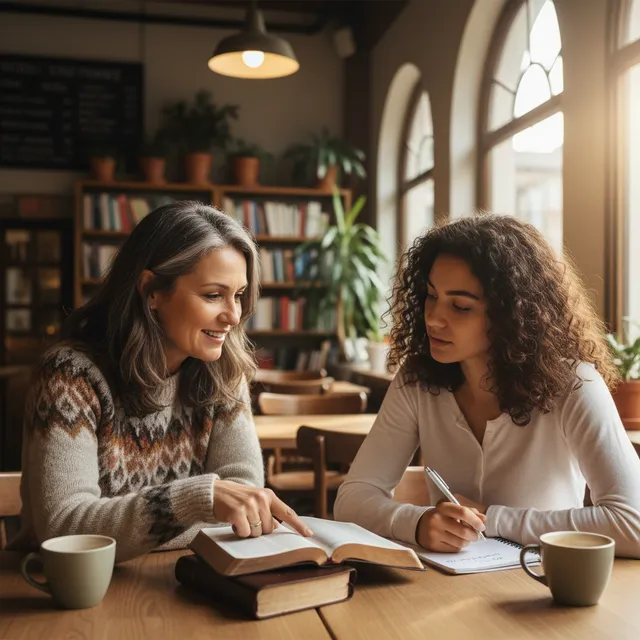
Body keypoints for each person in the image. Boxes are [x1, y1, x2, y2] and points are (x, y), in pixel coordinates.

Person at [12, 201, 312, 562]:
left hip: (178, 584)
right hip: (63, 596)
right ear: (152, 291)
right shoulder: (69, 376)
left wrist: (132, 525)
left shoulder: (224, 373)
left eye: (239, 295)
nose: (233, 315)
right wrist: (197, 502)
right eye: (213, 295)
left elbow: (244, 502)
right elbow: (64, 529)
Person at [334, 214, 640, 557]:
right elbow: (352, 498)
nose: (434, 317)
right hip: (443, 589)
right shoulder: (416, 380)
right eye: (431, 296)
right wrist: (417, 523)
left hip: (542, 590)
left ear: (513, 314)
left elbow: (633, 523)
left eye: (460, 306)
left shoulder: (574, 386)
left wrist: (492, 520)